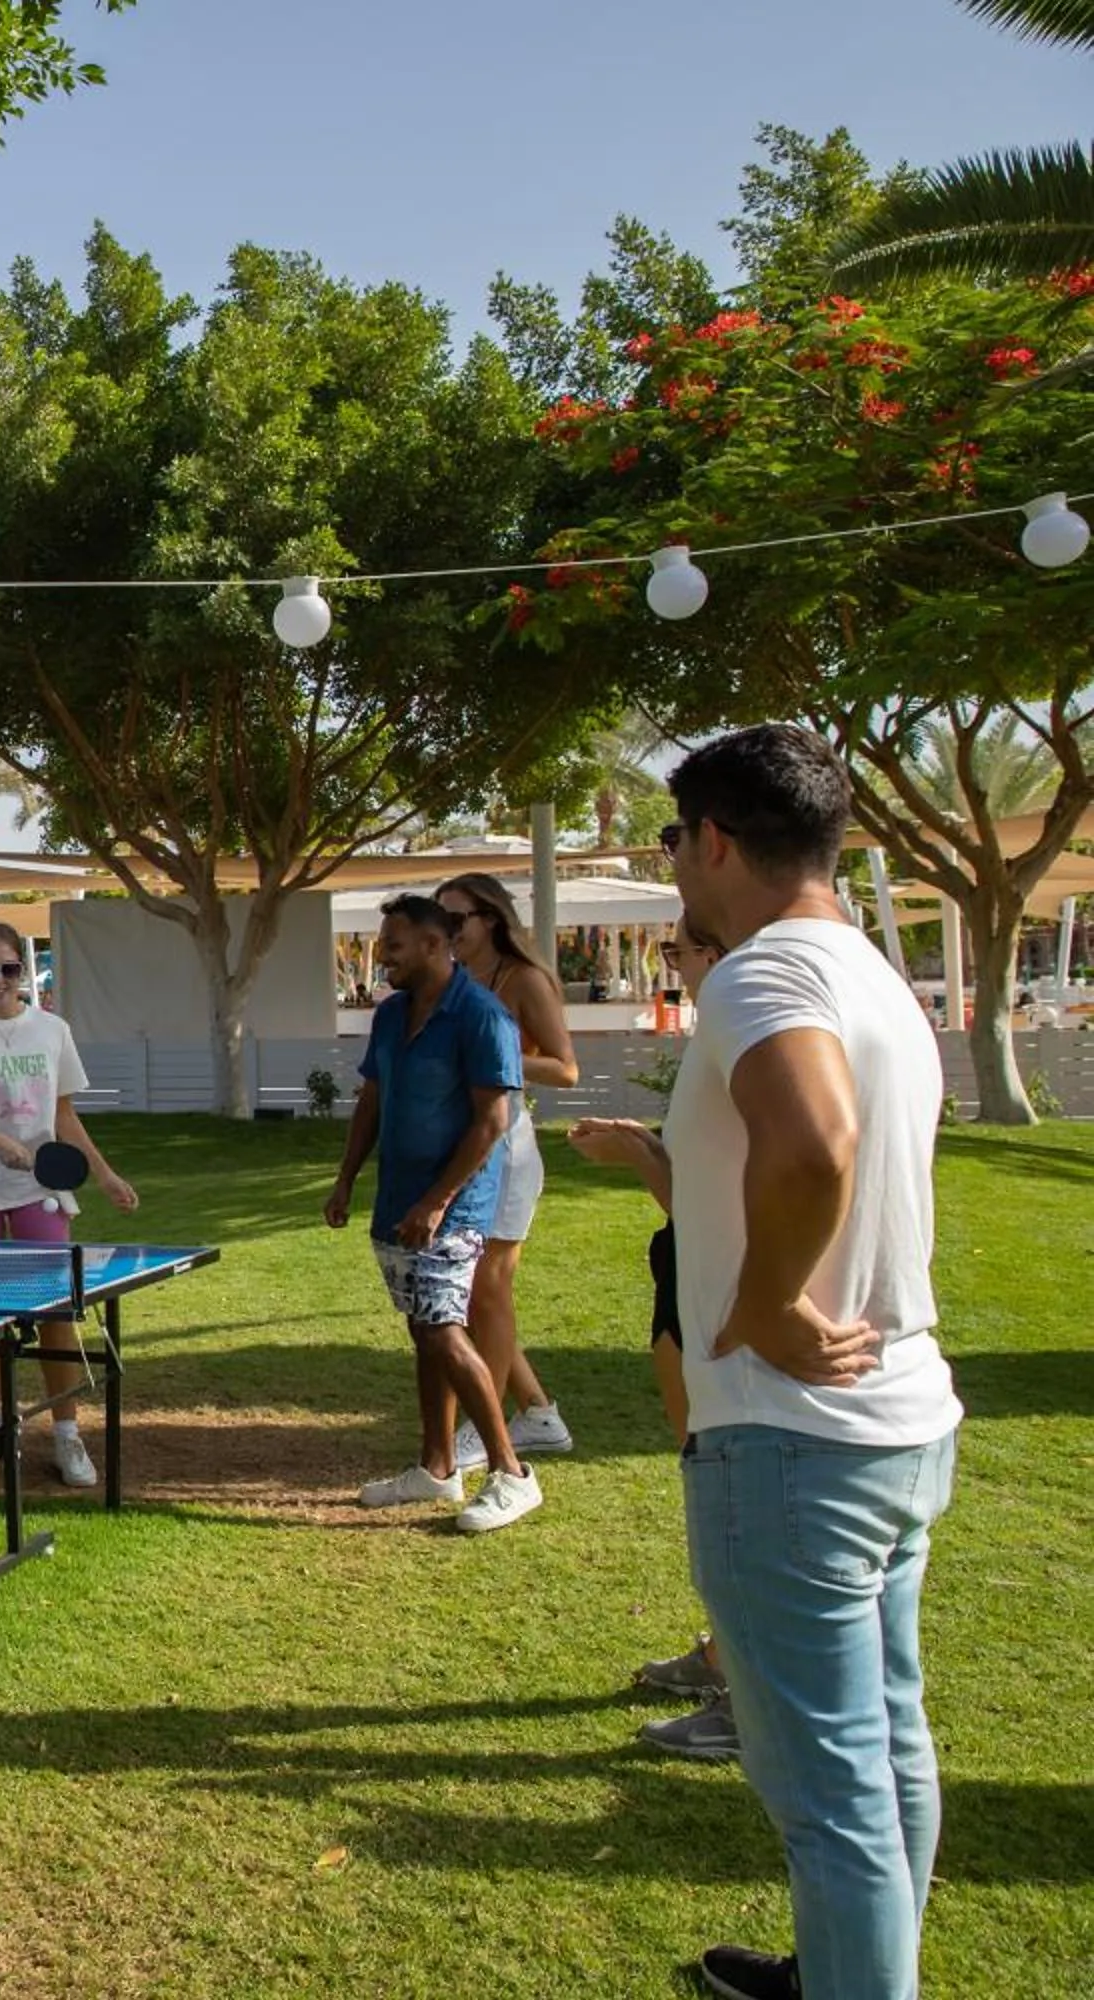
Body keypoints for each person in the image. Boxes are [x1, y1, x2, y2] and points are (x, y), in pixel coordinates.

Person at [659, 726, 958, 2000]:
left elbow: (820, 1142)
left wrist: (770, 1298)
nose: (672, 860)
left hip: (791, 1440)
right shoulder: (875, 971)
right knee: (886, 1746)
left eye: (674, 838)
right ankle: (838, 1970)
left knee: (830, 1790)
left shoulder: (760, 971)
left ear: (716, 839)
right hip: (897, 1424)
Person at [571, 922, 739, 1765]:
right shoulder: (726, 1033)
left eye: (679, 953)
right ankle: (724, 1658)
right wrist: (642, 1149)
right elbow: (705, 1186)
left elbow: (756, 1195)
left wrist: (641, 1161)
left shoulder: (755, 1023)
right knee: (710, 1479)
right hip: (691, 1279)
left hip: (720, 1296)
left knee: (727, 1489)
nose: (674, 969)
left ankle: (746, 1693)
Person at [321, 894, 539, 1532]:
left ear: (435, 947)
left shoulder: (481, 1016)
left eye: (393, 944)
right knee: (423, 1329)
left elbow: (493, 1119)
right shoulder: (390, 1015)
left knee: (443, 1327)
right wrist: (345, 1179)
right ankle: (437, 1468)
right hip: (397, 1202)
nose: (382, 955)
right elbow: (372, 1100)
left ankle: (512, 1474)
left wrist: (437, 1201)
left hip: (452, 1208)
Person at [0, 922, 138, 1489]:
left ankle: (67, 1436)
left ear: (25, 972)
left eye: (9, 968)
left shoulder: (52, 1030)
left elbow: (63, 1117)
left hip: (39, 1188)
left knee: (56, 1314)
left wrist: (105, 1173)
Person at [434, 872, 580, 1470]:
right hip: (464, 1147)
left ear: (489, 918)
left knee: (487, 1288)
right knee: (473, 1293)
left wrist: (497, 1052)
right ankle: (538, 1413)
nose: (445, 931)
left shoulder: (525, 980)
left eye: (455, 919)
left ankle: (486, 1422)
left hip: (509, 1151)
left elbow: (566, 1068)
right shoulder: (455, 980)